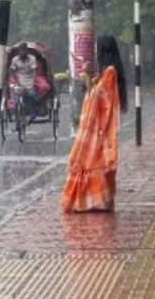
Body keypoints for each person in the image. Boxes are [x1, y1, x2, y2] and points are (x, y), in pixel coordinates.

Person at [61, 35, 128, 213]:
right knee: (95, 159)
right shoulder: (106, 72)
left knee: (94, 159)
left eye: (98, 47)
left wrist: (86, 75)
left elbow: (97, 96)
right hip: (99, 125)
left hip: (100, 126)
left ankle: (99, 200)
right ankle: (98, 200)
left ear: (104, 50)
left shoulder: (110, 72)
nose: (96, 51)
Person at [9, 42, 38, 125]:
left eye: (23, 50)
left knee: (32, 96)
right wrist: (17, 83)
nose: (22, 52)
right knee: (16, 103)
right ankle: (17, 123)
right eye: (20, 51)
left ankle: (32, 112)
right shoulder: (15, 60)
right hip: (18, 81)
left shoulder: (32, 59)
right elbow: (12, 71)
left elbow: (34, 71)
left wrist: (33, 82)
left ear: (26, 51)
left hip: (29, 80)